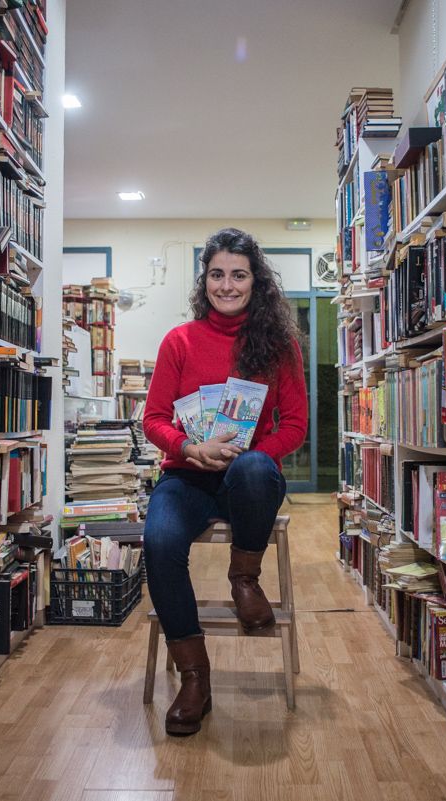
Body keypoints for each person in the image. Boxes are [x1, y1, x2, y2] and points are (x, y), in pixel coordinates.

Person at [142, 227, 308, 736]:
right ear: (205, 280)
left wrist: (243, 459)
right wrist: (191, 448)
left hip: (247, 485)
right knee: (159, 542)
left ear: (256, 282)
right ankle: (196, 677)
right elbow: (153, 419)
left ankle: (244, 579)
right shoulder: (180, 341)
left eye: (239, 275)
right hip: (186, 477)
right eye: (217, 274)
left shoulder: (278, 345)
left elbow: (295, 426)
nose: (227, 285)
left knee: (256, 468)